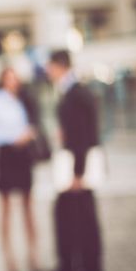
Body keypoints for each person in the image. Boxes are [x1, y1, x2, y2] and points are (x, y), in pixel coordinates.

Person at [0, 67, 40, 271]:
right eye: (8, 79)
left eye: (15, 79)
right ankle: (10, 261)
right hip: (4, 156)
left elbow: (34, 125)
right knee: (5, 210)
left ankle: (34, 257)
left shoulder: (24, 100)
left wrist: (29, 134)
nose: (12, 83)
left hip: (22, 156)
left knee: (28, 208)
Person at [46, 49, 99, 190]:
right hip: (76, 162)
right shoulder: (71, 91)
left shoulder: (75, 94)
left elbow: (81, 134)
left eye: (50, 66)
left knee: (78, 207)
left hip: (77, 166)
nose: (47, 71)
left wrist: (78, 173)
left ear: (60, 66)